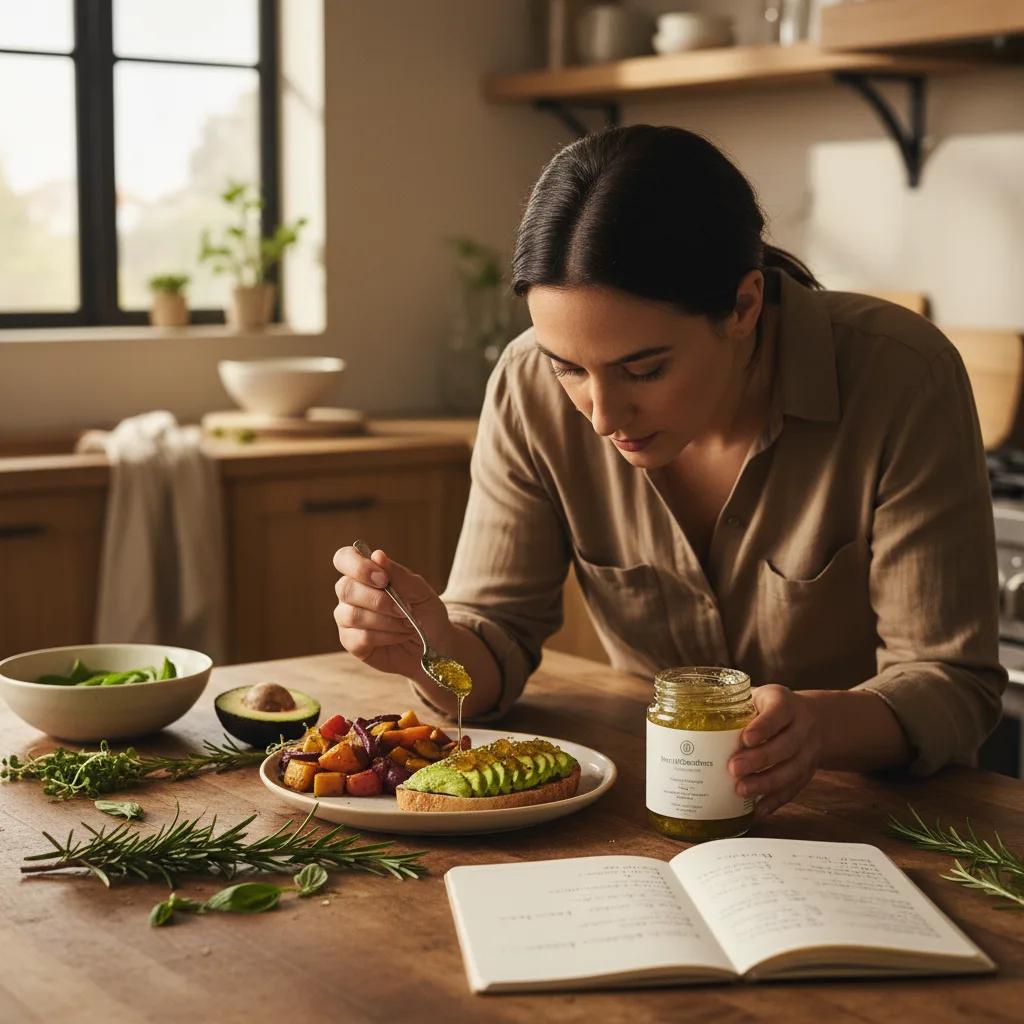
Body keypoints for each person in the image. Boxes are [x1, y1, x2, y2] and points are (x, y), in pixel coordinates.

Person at [333, 124, 1005, 818]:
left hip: (889, 821)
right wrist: (427, 646)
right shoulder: (527, 384)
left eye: (645, 370)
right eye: (570, 369)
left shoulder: (900, 375)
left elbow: (953, 680)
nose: (599, 415)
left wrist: (822, 728)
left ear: (743, 306)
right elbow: (494, 645)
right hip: (659, 806)